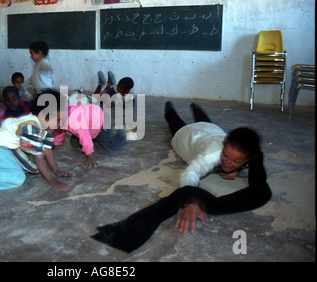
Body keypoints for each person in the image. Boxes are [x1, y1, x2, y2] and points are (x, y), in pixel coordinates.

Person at [91, 102, 272, 253]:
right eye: (225, 155)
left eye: (236, 161)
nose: (227, 162)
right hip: (187, 137)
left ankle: (196, 107)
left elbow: (254, 174)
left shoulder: (245, 152)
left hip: (212, 130)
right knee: (176, 123)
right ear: (223, 147)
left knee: (206, 123)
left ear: (247, 159)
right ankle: (169, 107)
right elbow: (190, 172)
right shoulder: (212, 154)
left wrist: (235, 170)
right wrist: (191, 202)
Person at [0, 89, 75, 199]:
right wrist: (52, 181)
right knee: (18, 178)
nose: (61, 123)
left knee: (30, 166)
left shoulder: (46, 129)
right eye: (59, 119)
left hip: (7, 150)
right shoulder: (32, 127)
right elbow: (38, 157)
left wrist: (57, 171)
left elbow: (48, 151)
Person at [52, 92, 127, 168]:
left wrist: (90, 156)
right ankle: (94, 139)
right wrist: (54, 148)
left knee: (112, 147)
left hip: (100, 121)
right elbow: (58, 132)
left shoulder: (74, 121)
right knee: (74, 143)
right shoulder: (57, 117)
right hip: (89, 123)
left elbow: (85, 137)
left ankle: (124, 133)